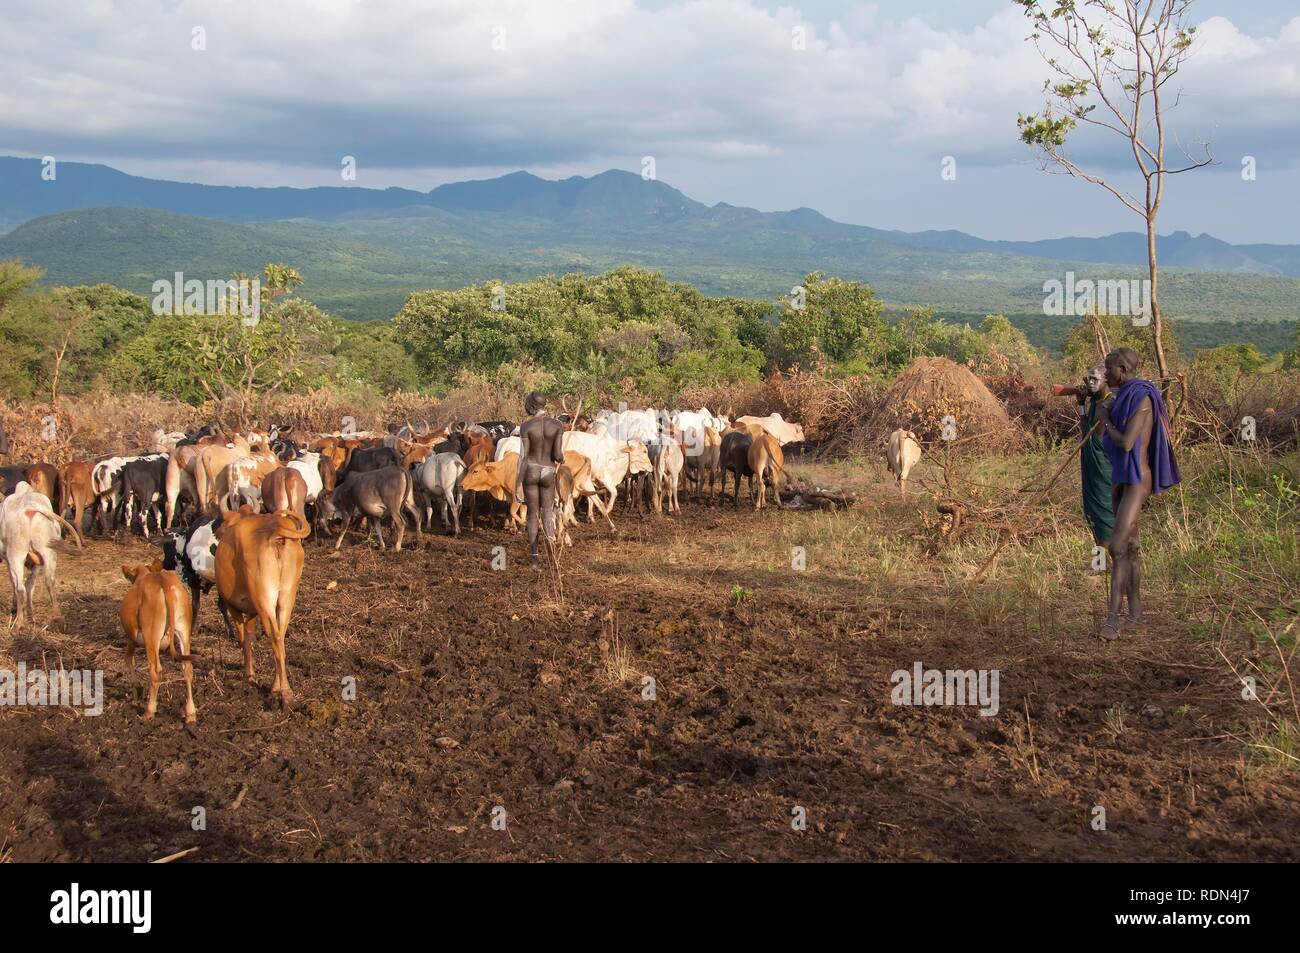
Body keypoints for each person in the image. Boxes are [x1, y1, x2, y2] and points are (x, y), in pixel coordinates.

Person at [1095, 348, 1180, 641]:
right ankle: (1136, 614)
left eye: (1109, 369)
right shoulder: (1123, 395)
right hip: (1122, 478)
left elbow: (1128, 443)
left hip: (1136, 481)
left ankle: (1112, 621)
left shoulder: (1141, 398)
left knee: (1116, 547)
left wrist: (1105, 419)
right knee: (1130, 547)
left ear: (1122, 368)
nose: (1106, 374)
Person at [514, 391, 566, 570]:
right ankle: (553, 556)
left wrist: (518, 483)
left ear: (531, 406)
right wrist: (562, 459)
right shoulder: (557, 425)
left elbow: (523, 457)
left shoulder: (526, 427)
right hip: (548, 472)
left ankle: (535, 559)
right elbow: (558, 455)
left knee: (532, 515)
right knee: (547, 513)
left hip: (531, 470)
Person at [1077, 364, 1114, 547]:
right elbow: (1085, 432)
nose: (1090, 383)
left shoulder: (1109, 402)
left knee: (1105, 514)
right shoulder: (1095, 403)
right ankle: (1098, 564)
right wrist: (1081, 404)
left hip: (1103, 468)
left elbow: (1096, 438)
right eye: (1089, 379)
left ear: (1106, 380)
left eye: (1095, 379)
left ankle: (1115, 562)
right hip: (1090, 465)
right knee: (1091, 514)